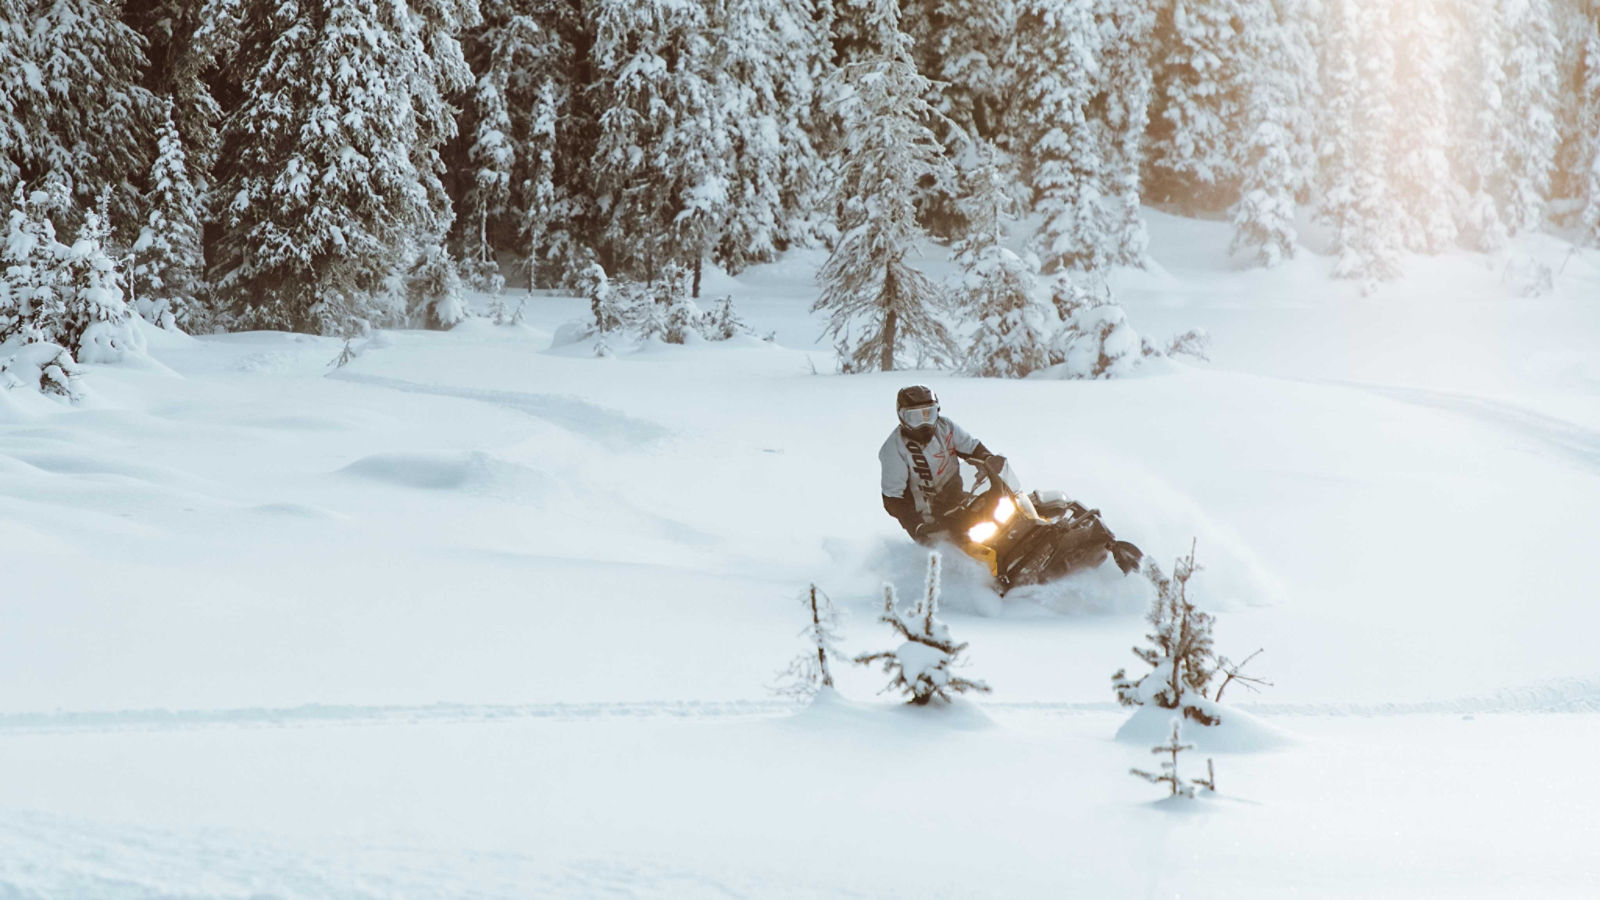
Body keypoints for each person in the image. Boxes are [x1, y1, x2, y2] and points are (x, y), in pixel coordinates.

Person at [880, 385, 1005, 543]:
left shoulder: (946, 427)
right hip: (930, 522)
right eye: (915, 418)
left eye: (928, 414)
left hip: (959, 501)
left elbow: (972, 447)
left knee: (1003, 516)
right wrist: (916, 525)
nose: (924, 423)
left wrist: (989, 459)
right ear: (902, 416)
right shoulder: (894, 449)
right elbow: (892, 499)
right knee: (966, 552)